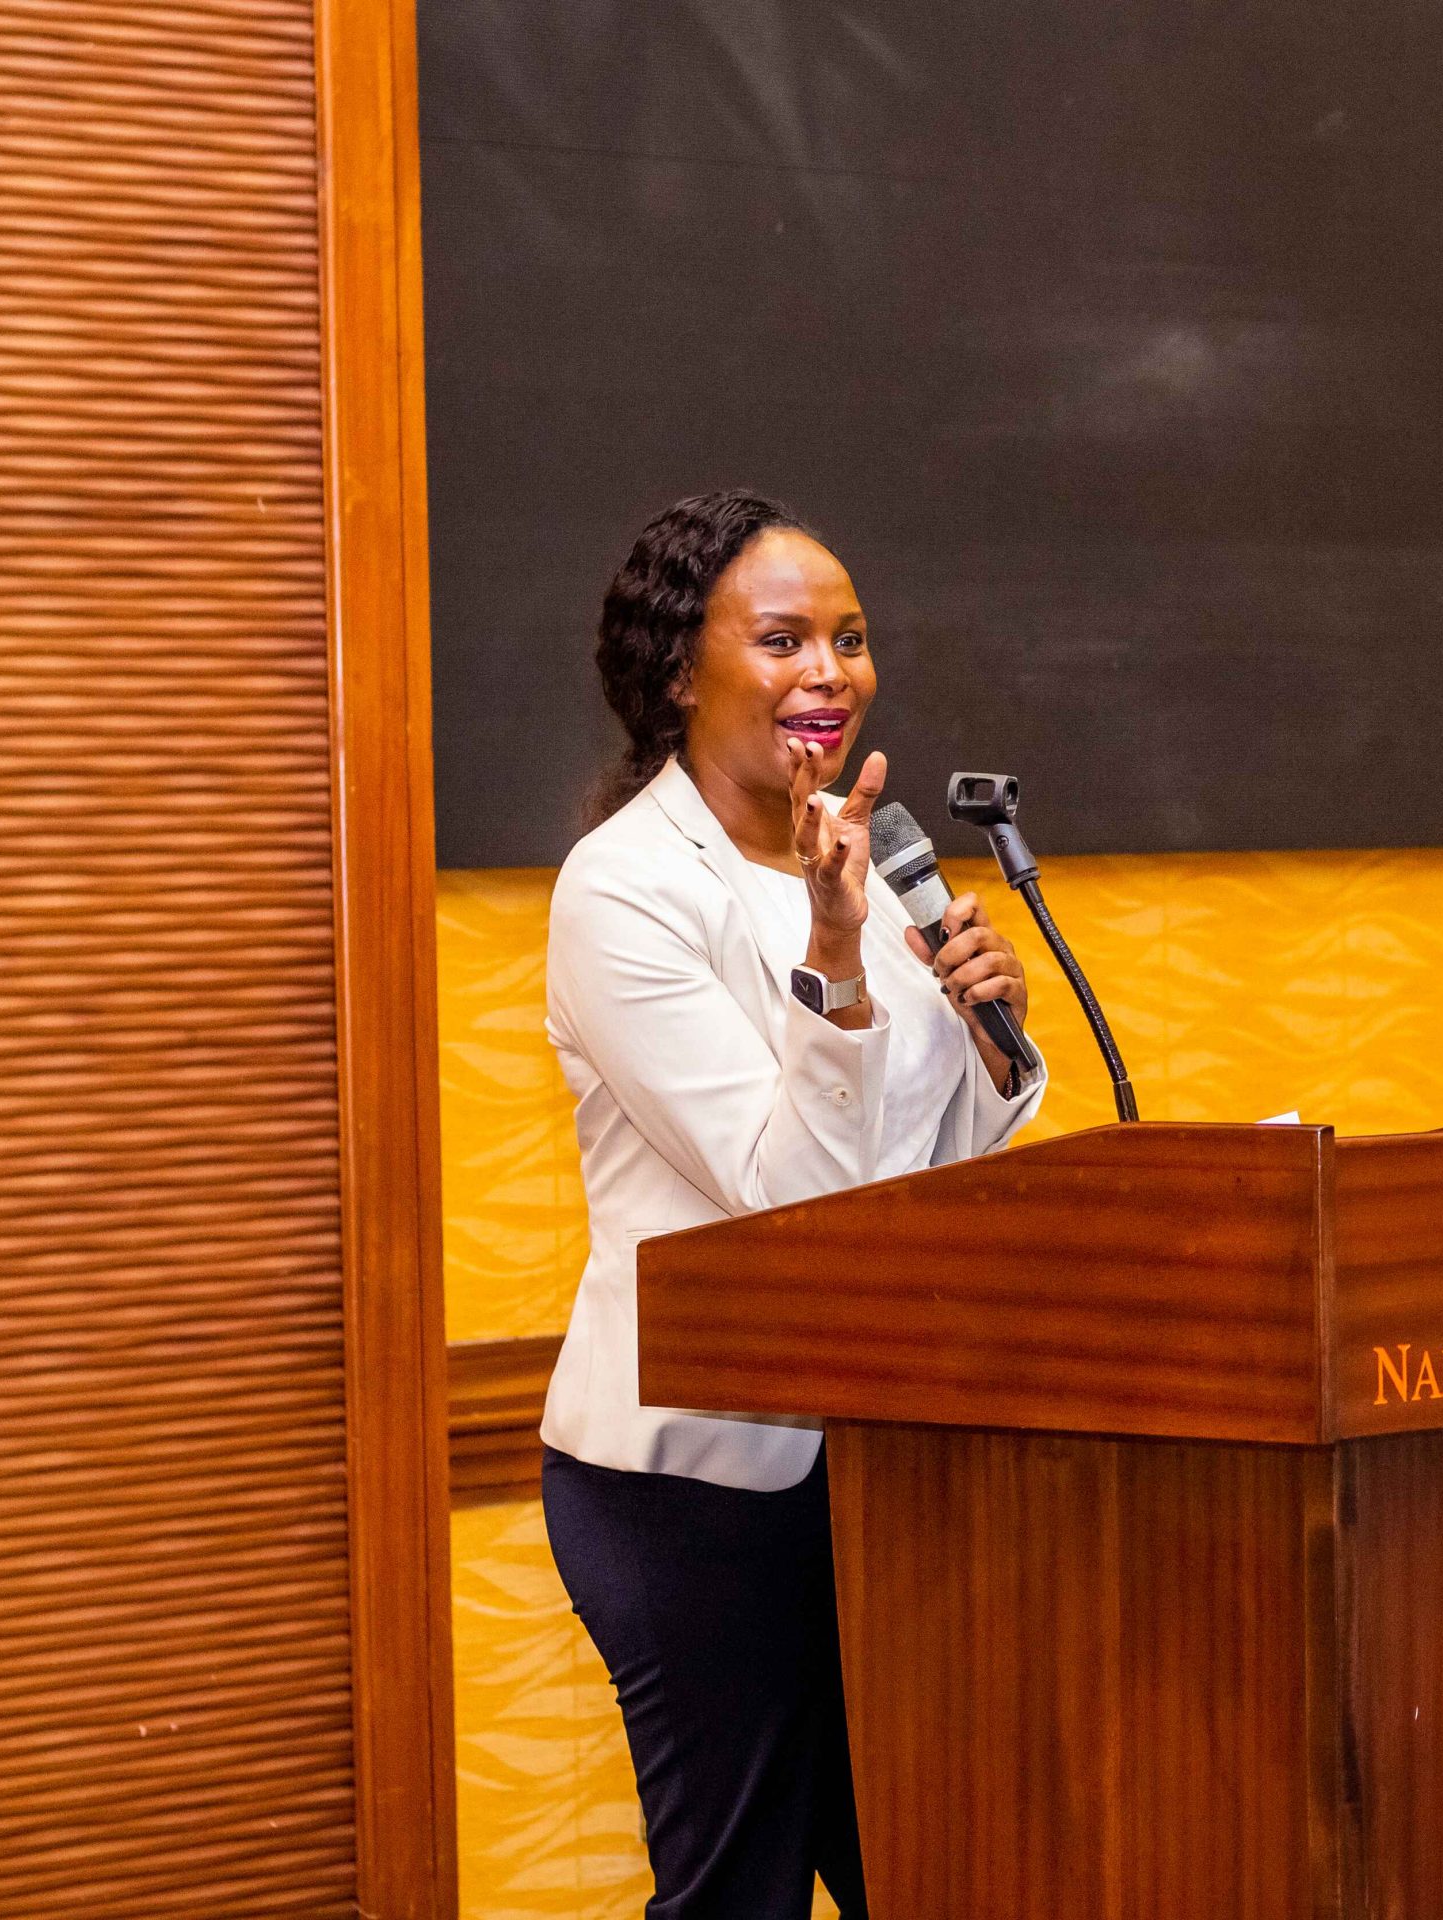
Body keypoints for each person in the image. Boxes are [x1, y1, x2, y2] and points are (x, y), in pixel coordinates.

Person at [536, 489, 1046, 1917]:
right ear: (681, 672)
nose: (830, 672)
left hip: (876, 1465)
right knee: (738, 1892)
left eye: (851, 638)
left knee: (934, 1864)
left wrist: (995, 1043)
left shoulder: (873, 861)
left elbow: (918, 1180)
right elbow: (786, 1203)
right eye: (783, 640)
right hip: (692, 1483)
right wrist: (835, 965)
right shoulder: (624, 892)